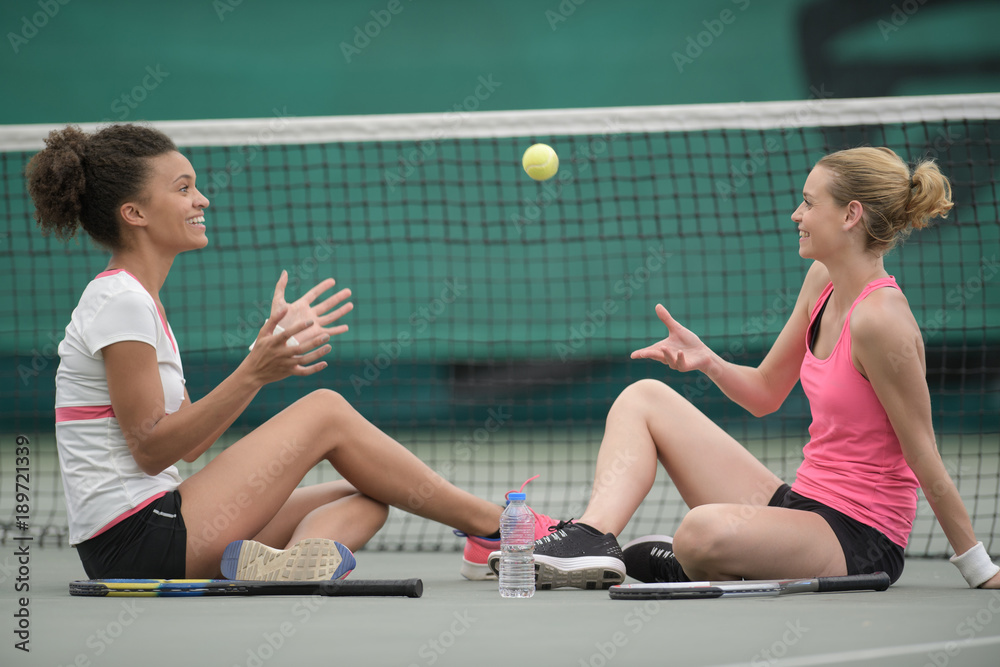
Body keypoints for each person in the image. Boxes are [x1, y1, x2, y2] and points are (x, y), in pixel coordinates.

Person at [28, 123, 556, 581]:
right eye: (184, 188)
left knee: (368, 498)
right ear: (134, 212)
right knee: (325, 409)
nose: (202, 200)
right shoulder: (119, 302)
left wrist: (260, 358)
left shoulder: (140, 302)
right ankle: (499, 526)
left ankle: (289, 563)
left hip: (160, 530)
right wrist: (254, 371)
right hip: (137, 540)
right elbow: (151, 450)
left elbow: (187, 444)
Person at [488, 147, 1000, 591]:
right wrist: (706, 360)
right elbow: (764, 393)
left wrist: (978, 566)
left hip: (858, 538)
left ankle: (703, 556)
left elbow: (923, 452)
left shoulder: (882, 321)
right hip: (801, 505)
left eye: (808, 202)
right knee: (643, 396)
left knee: (698, 530)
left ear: (851, 215)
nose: (796, 214)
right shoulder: (821, 280)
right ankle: (592, 536)